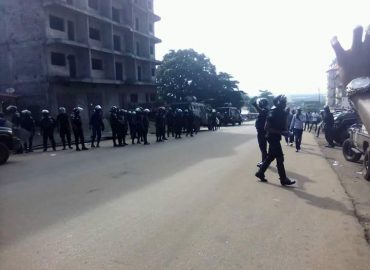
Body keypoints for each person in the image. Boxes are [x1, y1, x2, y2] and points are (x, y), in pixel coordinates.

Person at [255, 95, 296, 186]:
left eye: (285, 102)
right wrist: (282, 132)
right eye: (283, 102)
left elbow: (283, 125)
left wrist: (286, 131)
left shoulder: (281, 112)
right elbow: (267, 128)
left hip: (276, 137)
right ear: (278, 103)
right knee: (280, 157)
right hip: (272, 137)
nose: (285, 104)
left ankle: (260, 172)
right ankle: (283, 178)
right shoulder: (273, 112)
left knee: (270, 157)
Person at [252, 98, 269, 167]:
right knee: (263, 147)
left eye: (260, 103)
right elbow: (260, 112)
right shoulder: (265, 109)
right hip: (262, 131)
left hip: (262, 131)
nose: (259, 104)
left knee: (262, 146)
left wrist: (255, 106)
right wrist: (256, 106)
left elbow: (261, 112)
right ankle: (265, 160)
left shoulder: (265, 110)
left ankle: (264, 162)